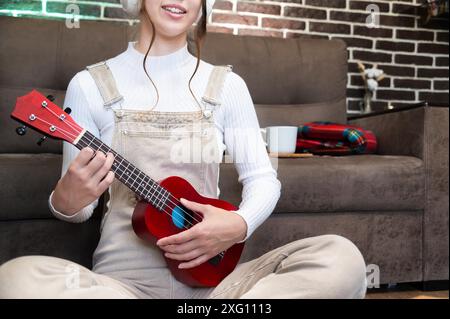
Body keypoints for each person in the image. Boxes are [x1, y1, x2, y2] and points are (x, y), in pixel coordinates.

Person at [0, 0, 367, 299]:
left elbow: (263, 181)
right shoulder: (89, 85)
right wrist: (65, 199)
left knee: (341, 258)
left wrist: (238, 225)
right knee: (15, 279)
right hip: (123, 287)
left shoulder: (228, 86)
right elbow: (80, 211)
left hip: (218, 289)